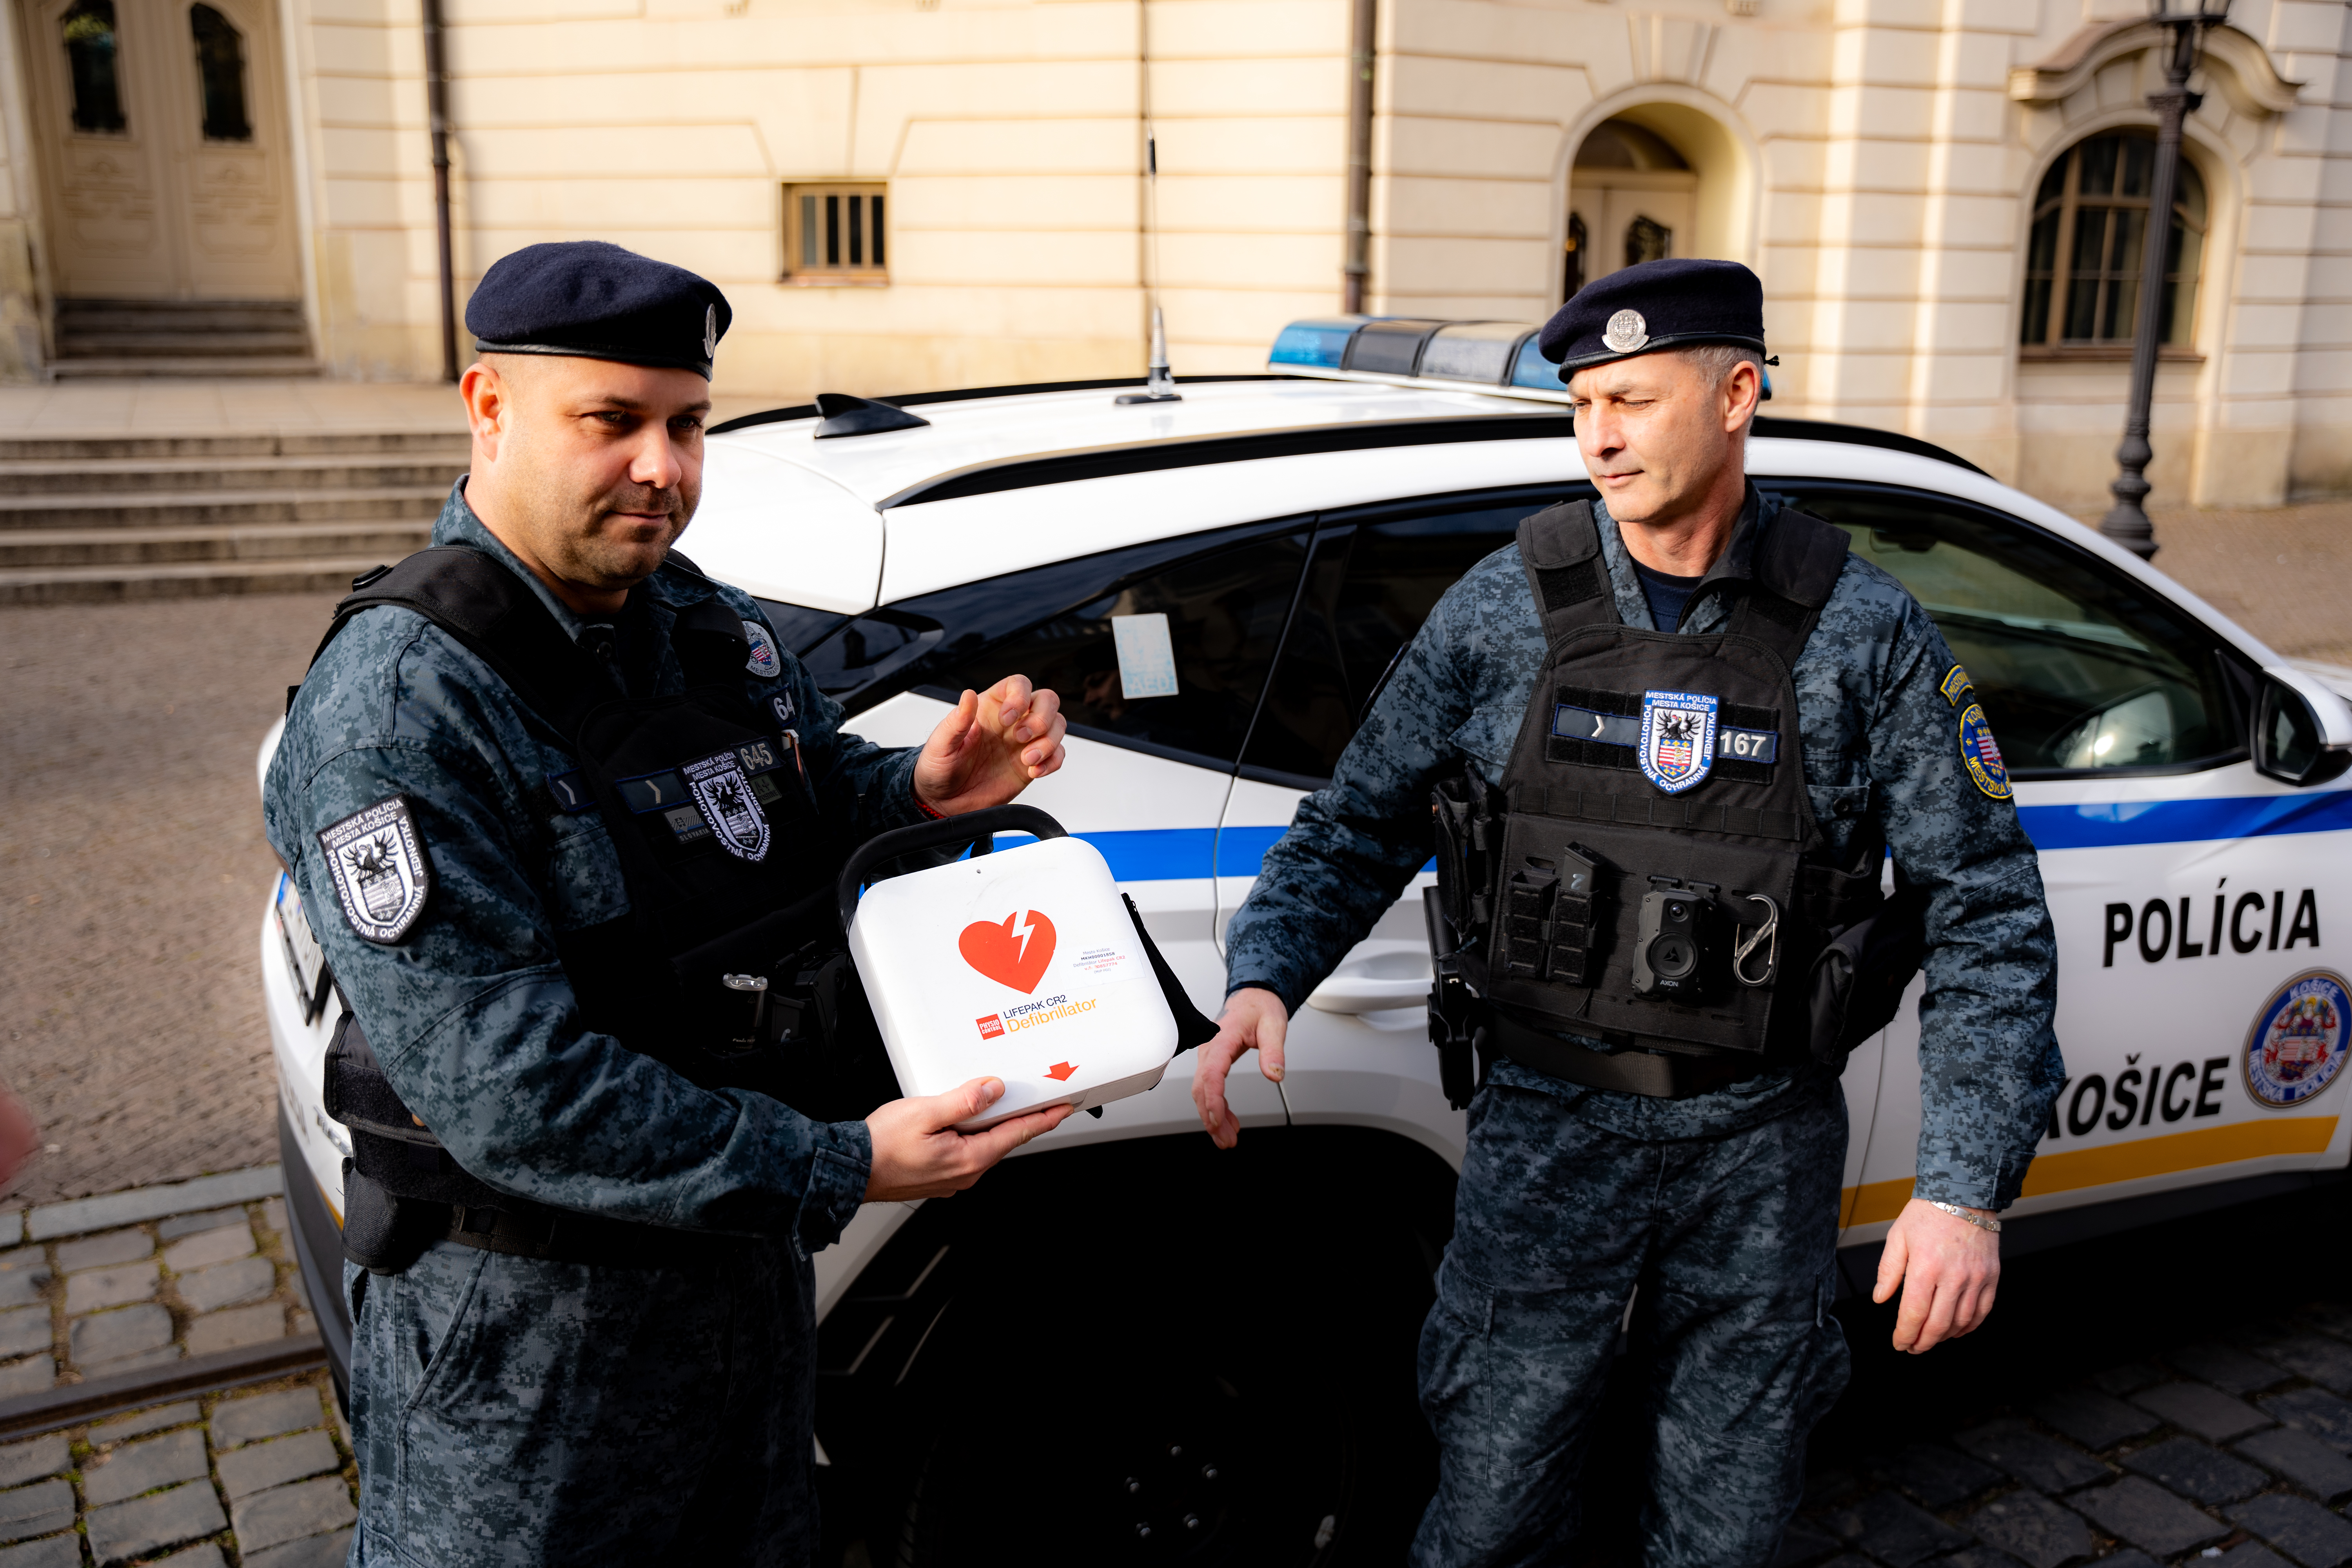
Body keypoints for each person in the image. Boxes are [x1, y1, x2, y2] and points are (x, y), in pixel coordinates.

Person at [1190, 258, 2063, 1567]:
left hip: (1759, 1145)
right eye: (1582, 402)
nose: (1598, 433)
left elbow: (1987, 906)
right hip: (1546, 1133)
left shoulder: (1862, 632)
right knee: (1488, 1512)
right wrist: (1268, 970)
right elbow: (1363, 813)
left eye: (1634, 399)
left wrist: (1964, 1192)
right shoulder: (1506, 605)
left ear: (1737, 395)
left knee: (1722, 1529)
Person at [263, 240, 1076, 1566]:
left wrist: (917, 790)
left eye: (688, 423)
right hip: (529, 1348)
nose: (665, 467)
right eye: (613, 422)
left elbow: (780, 791)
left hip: (734, 1294)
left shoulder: (690, 617)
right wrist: (844, 1165)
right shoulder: (404, 709)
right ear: (488, 405)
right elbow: (512, 1090)